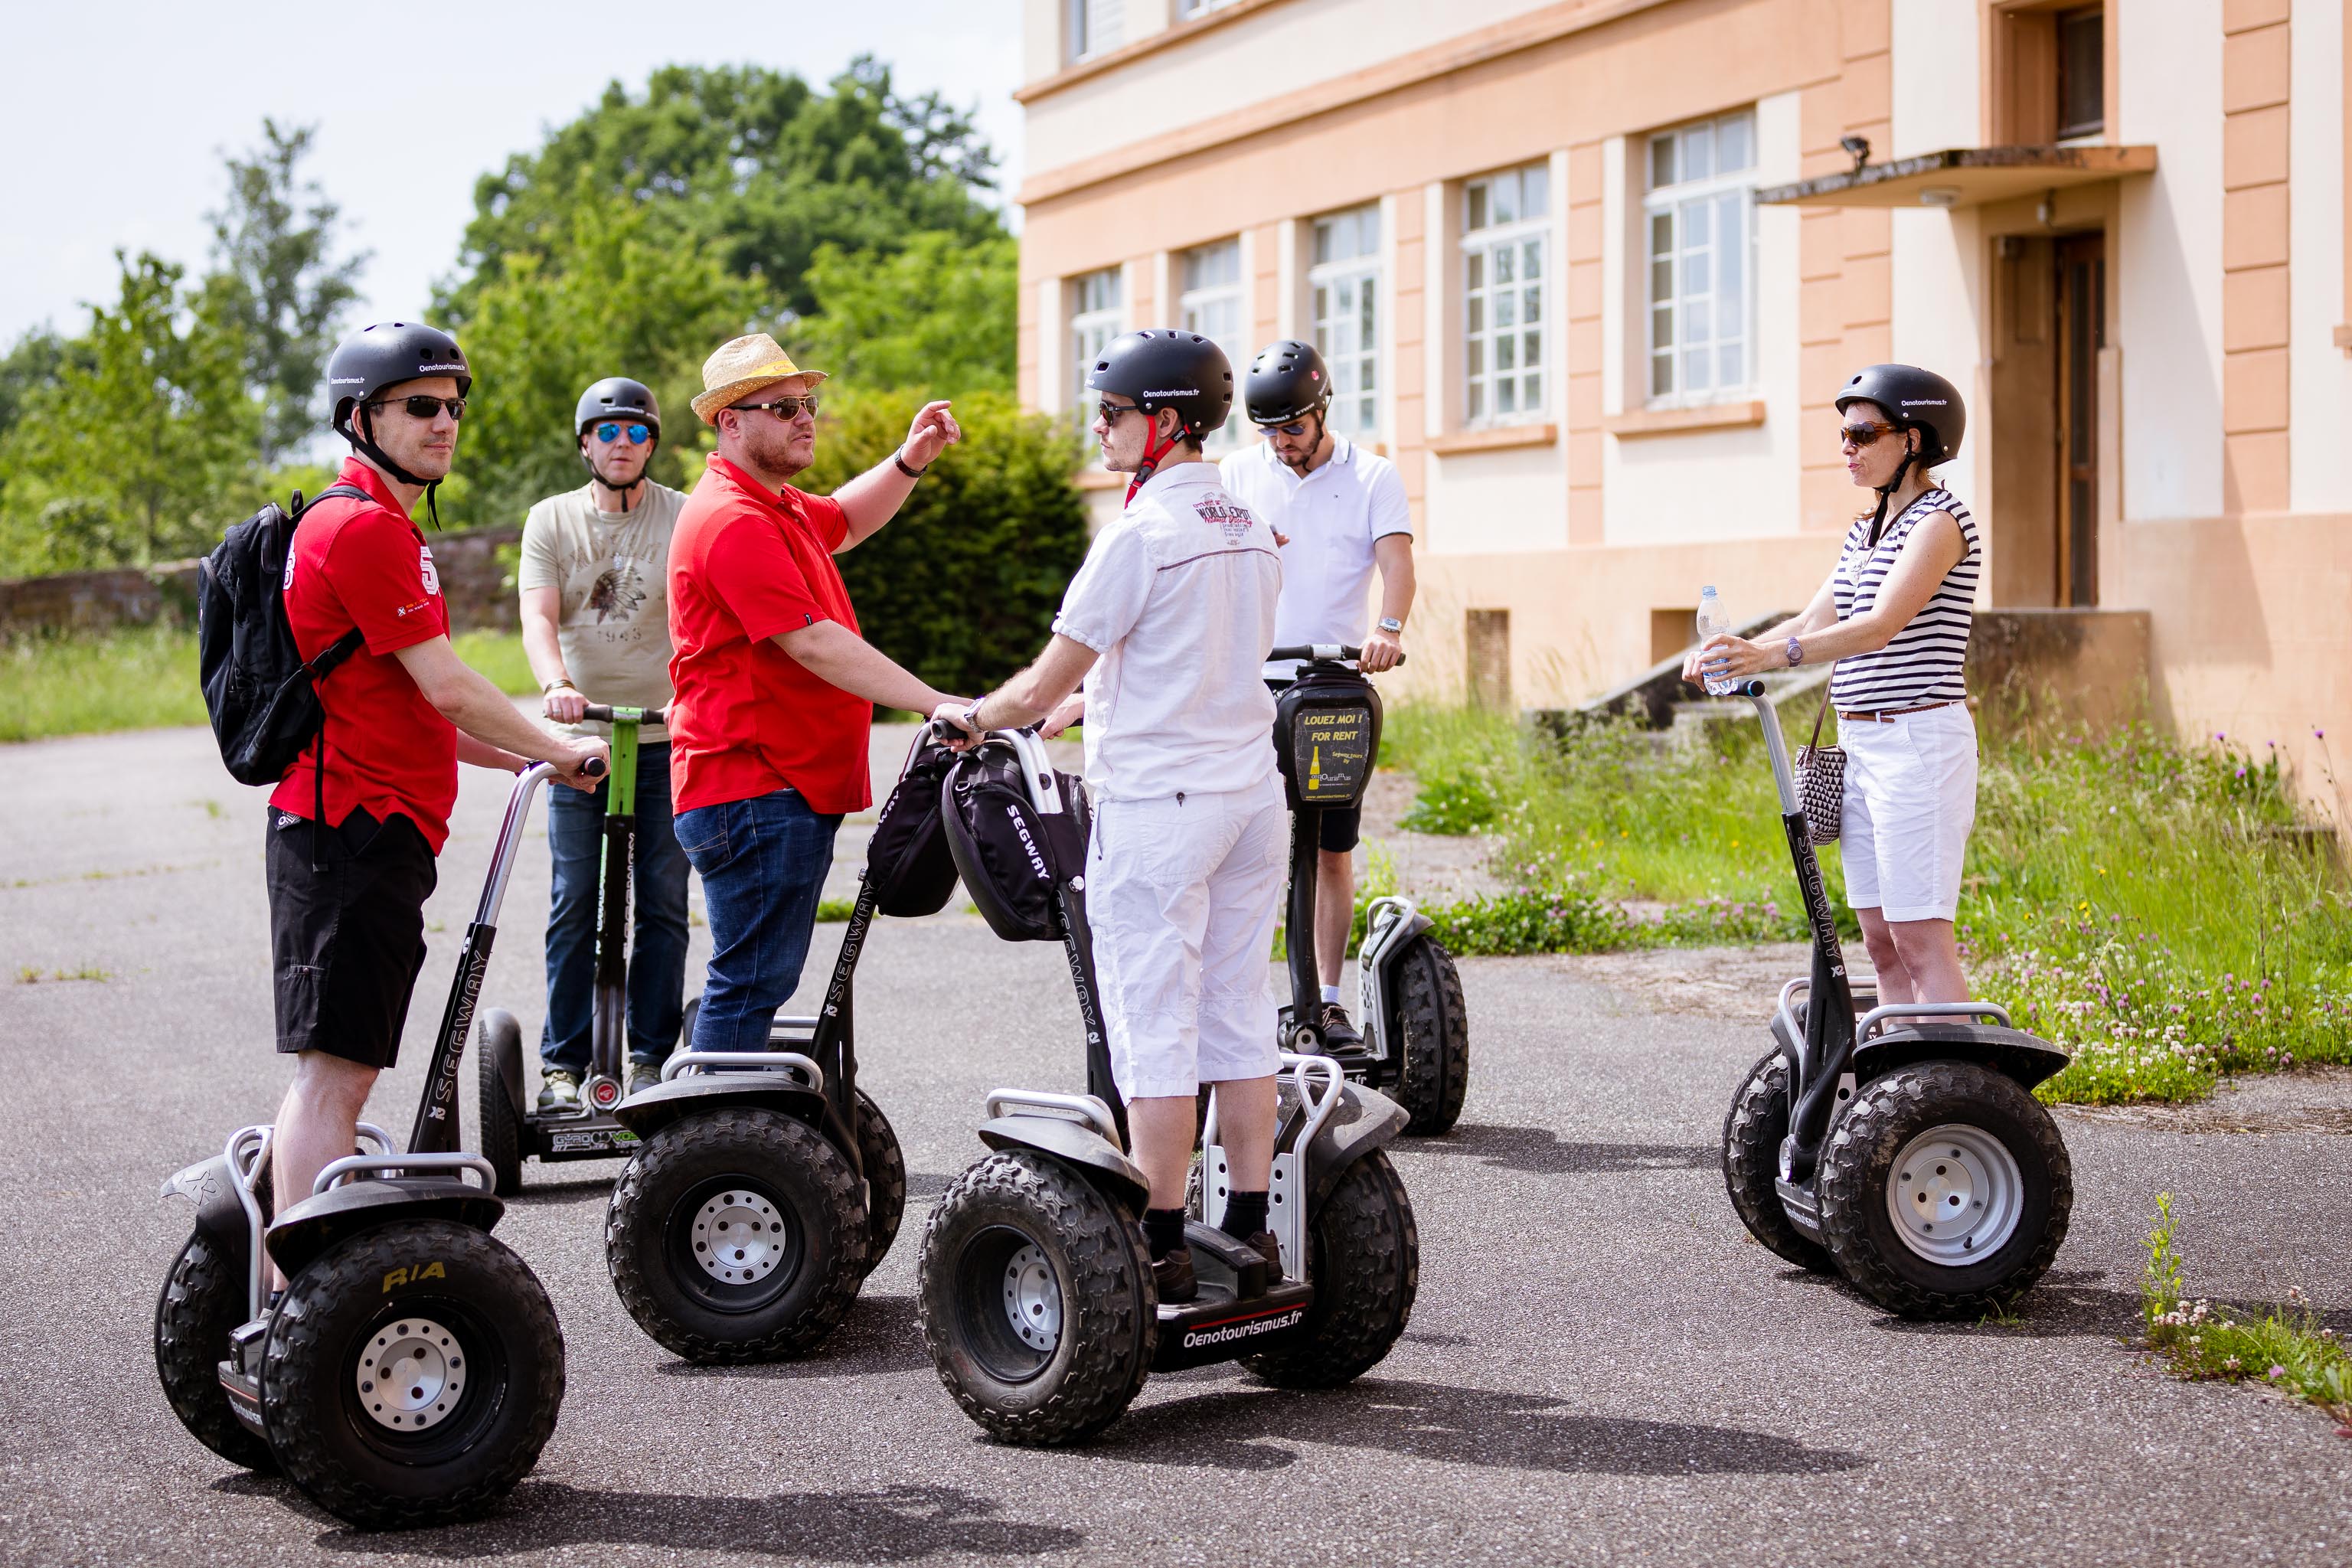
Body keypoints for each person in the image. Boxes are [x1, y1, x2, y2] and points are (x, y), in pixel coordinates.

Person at [941, 328, 1285, 1305]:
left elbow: (1043, 677)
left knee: (1153, 1023)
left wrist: (978, 716)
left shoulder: (1139, 534)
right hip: (1249, 799)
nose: (1101, 427)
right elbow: (1195, 650)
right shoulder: (1251, 520)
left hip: (1161, 807)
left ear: (1167, 422)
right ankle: (1252, 1232)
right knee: (1238, 1009)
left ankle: (1165, 1241)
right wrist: (1082, 703)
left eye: (1114, 413)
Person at [267, 322, 606, 1287]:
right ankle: (308, 1298)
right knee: (336, 1076)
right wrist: (558, 746)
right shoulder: (364, 528)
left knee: (339, 1069)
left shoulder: (363, 521)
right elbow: (449, 683)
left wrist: (514, 760)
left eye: (454, 405)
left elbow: (410, 705)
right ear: (360, 415)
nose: (445, 422)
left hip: (361, 824)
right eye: (421, 405)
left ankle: (297, 1288)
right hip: (350, 831)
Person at [666, 333, 971, 1057]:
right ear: (729, 423)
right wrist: (934, 701)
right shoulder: (733, 519)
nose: (805, 418)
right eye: (782, 407)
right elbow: (809, 640)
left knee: (753, 981)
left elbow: (846, 519)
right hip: (753, 785)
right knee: (749, 984)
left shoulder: (774, 505)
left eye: (807, 403)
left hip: (773, 783)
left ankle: (720, 1140)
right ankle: (712, 1153)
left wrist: (907, 462)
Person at [1690, 364, 1980, 1008]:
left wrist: (1772, 656)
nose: (1847, 448)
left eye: (1863, 435)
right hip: (1859, 746)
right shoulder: (1865, 530)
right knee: (1879, 939)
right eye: (1843, 436)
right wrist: (1727, 652)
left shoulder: (1942, 522)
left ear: (1914, 438)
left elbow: (1878, 627)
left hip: (1918, 743)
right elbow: (1810, 619)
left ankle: (1947, 1089)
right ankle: (1895, 1092)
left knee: (1919, 938)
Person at [1216, 339, 1416, 1050]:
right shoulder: (1238, 471)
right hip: (1250, 684)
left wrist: (1387, 629)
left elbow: (1398, 566)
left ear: (1321, 410)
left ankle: (1326, 1003)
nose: (1281, 443)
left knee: (1331, 849)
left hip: (1333, 682)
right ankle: (1244, 1003)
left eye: (1293, 428)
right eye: (1270, 430)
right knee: (1245, 846)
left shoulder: (1372, 476)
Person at [518, 377, 692, 1106]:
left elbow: (699, 609)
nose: (623, 445)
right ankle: (562, 1067)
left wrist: (691, 697)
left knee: (663, 900)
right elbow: (539, 617)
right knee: (574, 900)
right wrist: (556, 682)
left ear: (653, 442)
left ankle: (650, 1058)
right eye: (608, 433)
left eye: (637, 433)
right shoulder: (551, 520)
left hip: (663, 737)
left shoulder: (683, 514)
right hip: (579, 744)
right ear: (585, 443)